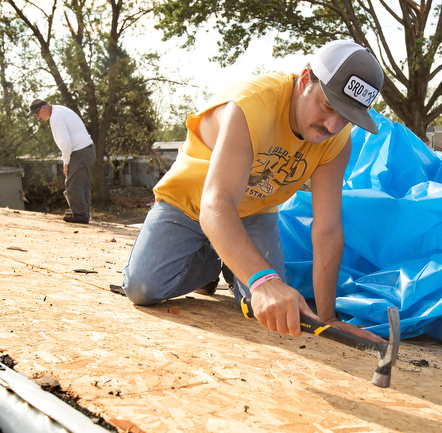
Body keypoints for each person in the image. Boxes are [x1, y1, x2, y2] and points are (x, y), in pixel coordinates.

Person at [123, 40, 385, 343]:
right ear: (304, 80)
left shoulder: (337, 141)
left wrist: (327, 318)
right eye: (328, 106)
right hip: (190, 203)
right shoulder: (251, 105)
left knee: (276, 311)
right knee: (143, 289)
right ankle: (209, 262)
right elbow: (215, 205)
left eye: (347, 118)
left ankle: (232, 264)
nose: (332, 125)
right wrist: (263, 278)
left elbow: (327, 230)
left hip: (252, 213)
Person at [29, 99, 95, 224]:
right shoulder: (59, 110)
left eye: (37, 113)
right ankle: (83, 213)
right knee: (82, 184)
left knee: (72, 186)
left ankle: (81, 215)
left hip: (79, 152)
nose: (37, 117)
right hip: (88, 150)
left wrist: (66, 162)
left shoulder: (56, 118)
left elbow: (65, 143)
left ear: (43, 107)